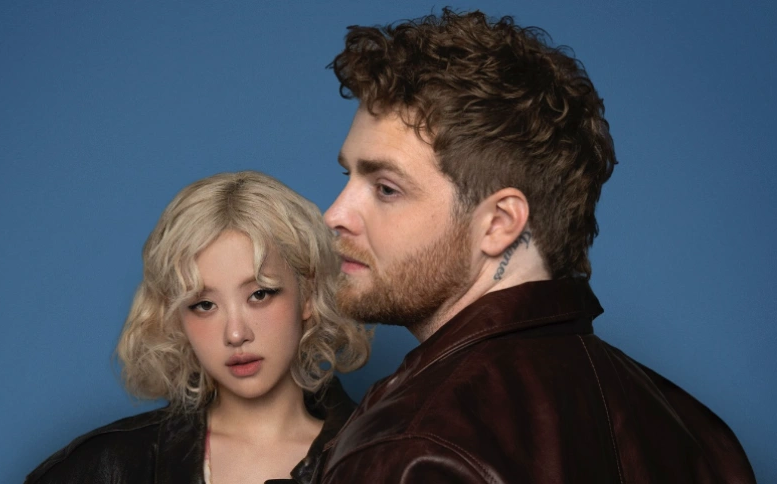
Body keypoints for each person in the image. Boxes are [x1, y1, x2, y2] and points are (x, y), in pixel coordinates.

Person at [313, 9, 755, 483]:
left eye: (385, 188)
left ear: (499, 223)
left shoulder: (412, 449)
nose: (333, 215)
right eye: (348, 175)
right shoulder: (702, 435)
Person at [25, 171, 371, 484]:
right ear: (176, 315)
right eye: (204, 305)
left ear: (307, 295)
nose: (235, 334)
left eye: (259, 294)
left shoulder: (382, 461)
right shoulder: (104, 467)